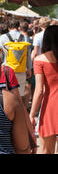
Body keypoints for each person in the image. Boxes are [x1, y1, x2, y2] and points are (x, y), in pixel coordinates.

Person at [29, 25, 58, 154]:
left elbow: (39, 90)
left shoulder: (40, 60)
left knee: (46, 150)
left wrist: (32, 114)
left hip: (50, 107)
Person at [0, 19, 33, 108]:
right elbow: (28, 54)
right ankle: (18, 111)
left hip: (7, 67)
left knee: (6, 92)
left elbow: (1, 54)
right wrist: (29, 68)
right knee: (19, 93)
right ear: (18, 27)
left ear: (8, 27)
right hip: (21, 68)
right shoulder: (25, 37)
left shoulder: (3, 37)